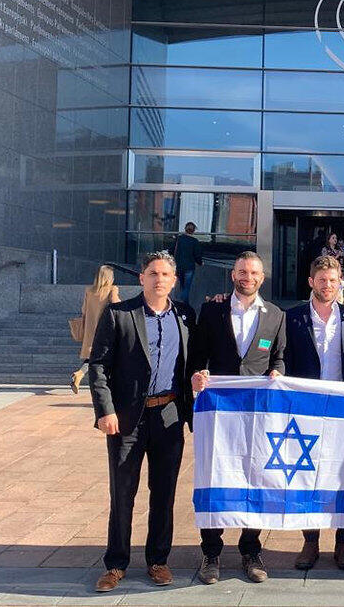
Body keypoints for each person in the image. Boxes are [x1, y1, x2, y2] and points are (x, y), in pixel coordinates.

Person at [87, 251, 196, 592]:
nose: (159, 279)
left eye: (165, 274)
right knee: (123, 493)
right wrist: (105, 410)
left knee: (163, 493)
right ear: (142, 278)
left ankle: (158, 560)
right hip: (127, 419)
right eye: (153, 273)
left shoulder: (186, 315)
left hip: (169, 415)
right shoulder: (120, 314)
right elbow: (99, 365)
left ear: (174, 281)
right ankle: (116, 563)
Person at [188, 252, 286, 585]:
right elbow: (197, 356)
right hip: (218, 412)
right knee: (215, 476)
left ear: (263, 277)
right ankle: (211, 553)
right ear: (233, 275)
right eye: (242, 272)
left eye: (254, 272)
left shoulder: (275, 315)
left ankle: (250, 550)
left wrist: (277, 372)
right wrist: (196, 376)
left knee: (254, 478)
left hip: (257, 413)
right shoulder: (213, 310)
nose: (248, 277)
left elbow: (280, 358)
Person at [284, 255, 344, 571]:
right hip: (306, 409)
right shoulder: (292, 317)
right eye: (322, 280)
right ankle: (310, 542)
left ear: (341, 284)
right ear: (311, 282)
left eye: (334, 280)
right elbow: (282, 359)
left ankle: (343, 544)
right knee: (306, 476)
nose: (328, 285)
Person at [72, 265, 121, 393]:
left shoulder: (89, 290)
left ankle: (80, 374)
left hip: (90, 328)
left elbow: (84, 310)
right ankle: (82, 375)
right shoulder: (112, 289)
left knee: (94, 355)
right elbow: (117, 304)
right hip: (105, 328)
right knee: (104, 355)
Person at [172, 222, 202, 302]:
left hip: (179, 266)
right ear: (193, 231)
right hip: (189, 267)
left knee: (182, 285)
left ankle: (180, 302)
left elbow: (172, 251)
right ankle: (184, 304)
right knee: (187, 287)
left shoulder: (179, 239)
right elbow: (197, 255)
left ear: (185, 229)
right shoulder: (195, 241)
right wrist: (200, 262)